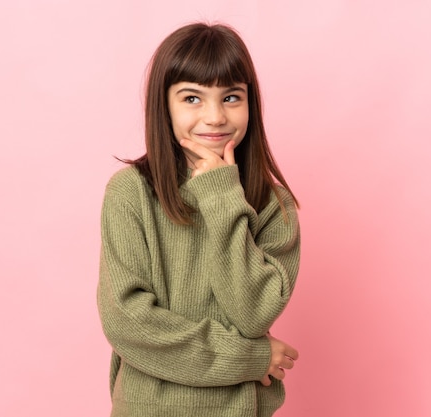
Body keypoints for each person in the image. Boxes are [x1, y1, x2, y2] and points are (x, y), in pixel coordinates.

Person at [97, 22, 301, 417]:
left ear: (250, 104)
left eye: (231, 97)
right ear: (164, 105)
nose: (214, 117)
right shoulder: (130, 193)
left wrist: (223, 195)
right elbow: (128, 323)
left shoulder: (274, 203)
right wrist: (250, 357)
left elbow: (253, 312)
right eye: (192, 98)